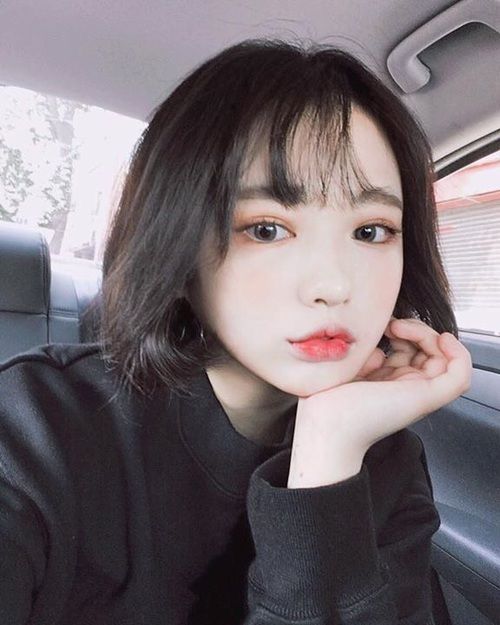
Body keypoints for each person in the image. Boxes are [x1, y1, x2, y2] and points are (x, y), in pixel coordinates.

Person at [0, 39, 471, 624]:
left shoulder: (385, 455)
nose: (333, 285)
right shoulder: (34, 429)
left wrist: (329, 454)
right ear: (177, 247)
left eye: (371, 231)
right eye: (267, 229)